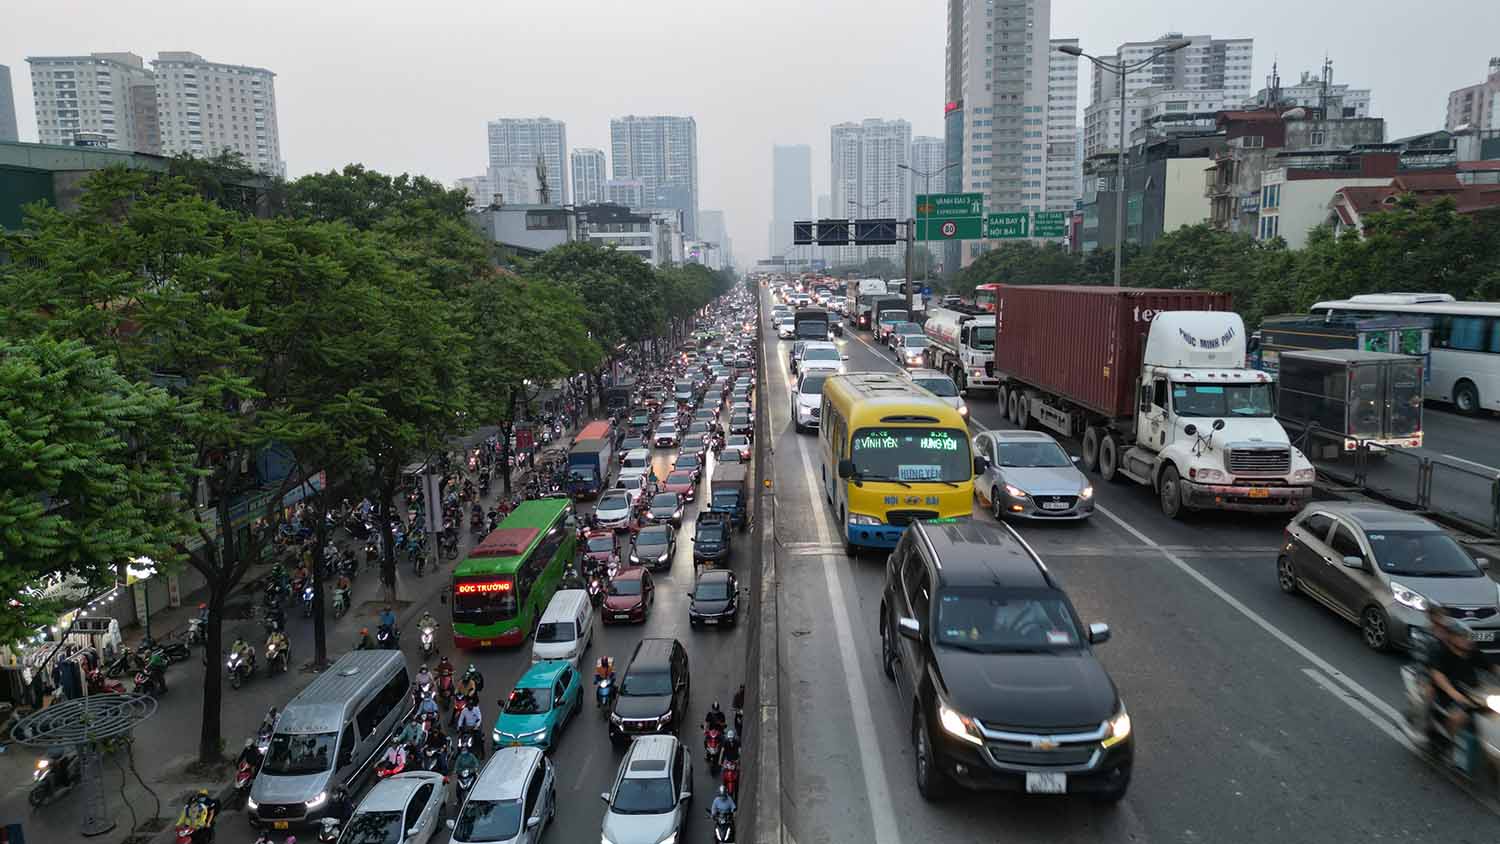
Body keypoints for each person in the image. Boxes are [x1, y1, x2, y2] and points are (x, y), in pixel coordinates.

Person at [1429, 607, 1488, 761]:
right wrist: (1454, 694)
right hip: (1449, 695)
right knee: (1458, 717)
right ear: (1452, 637)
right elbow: (1437, 675)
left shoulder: (1473, 652)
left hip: (1473, 695)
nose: (1468, 640)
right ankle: (1445, 743)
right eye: (1463, 637)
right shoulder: (1441, 651)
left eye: (1468, 637)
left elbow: (1491, 667)